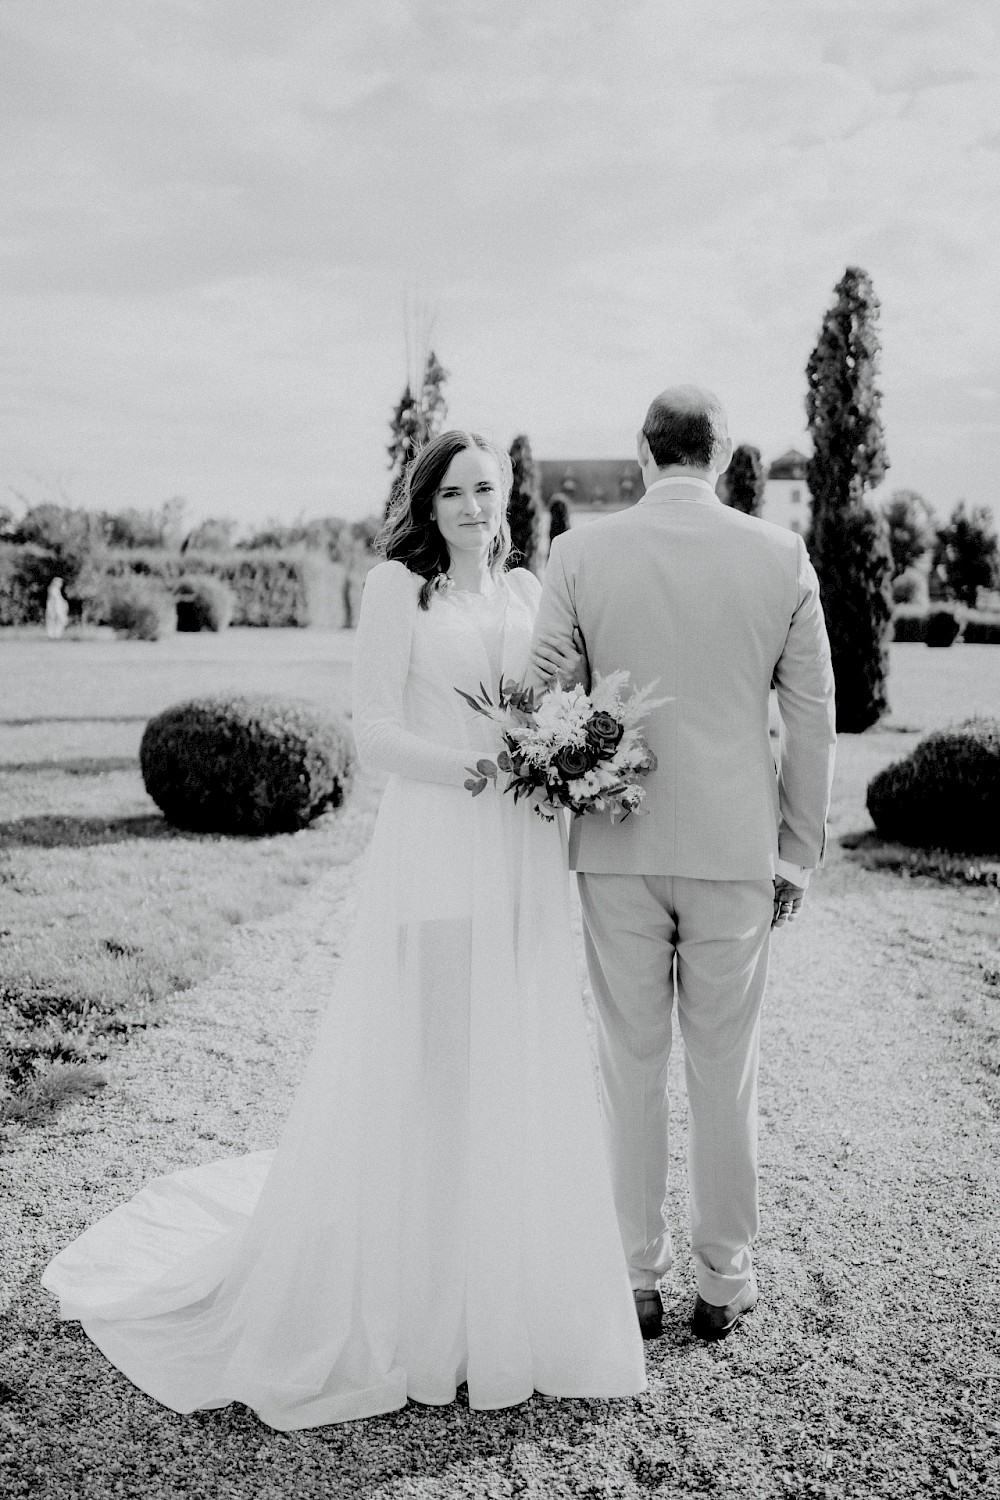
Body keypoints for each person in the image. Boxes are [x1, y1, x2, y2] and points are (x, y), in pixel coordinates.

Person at [42, 430, 647, 1429]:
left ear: (507, 500)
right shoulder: (395, 590)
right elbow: (370, 730)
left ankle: (501, 1291)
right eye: (452, 490)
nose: (469, 505)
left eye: (484, 489)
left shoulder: (524, 592)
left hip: (520, 862)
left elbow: (553, 708)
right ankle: (429, 1304)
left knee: (512, 1061)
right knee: (442, 1069)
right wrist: (473, 769)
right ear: (428, 500)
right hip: (443, 851)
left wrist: (560, 755)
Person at [529, 386, 837, 1342]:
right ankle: (723, 1278)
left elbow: (540, 697)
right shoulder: (778, 555)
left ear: (643, 451)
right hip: (734, 851)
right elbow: (815, 716)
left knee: (628, 1064)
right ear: (724, 451)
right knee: (724, 1067)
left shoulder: (580, 553)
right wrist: (795, 850)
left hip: (616, 849)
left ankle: (633, 1279)